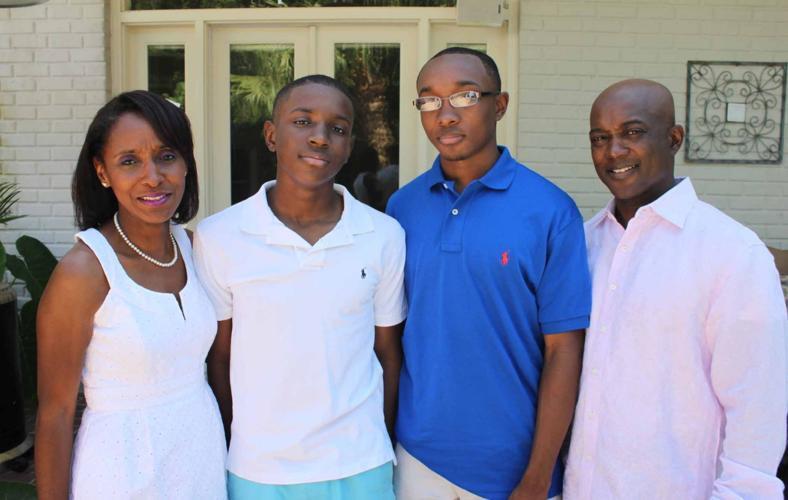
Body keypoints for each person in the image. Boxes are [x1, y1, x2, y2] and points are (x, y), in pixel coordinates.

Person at [564, 79, 788, 499]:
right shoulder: (582, 244)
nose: (614, 151)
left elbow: (757, 407)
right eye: (600, 138)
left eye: (632, 133)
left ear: (674, 138)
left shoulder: (732, 253)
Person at [386, 47, 591, 500]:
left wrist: (537, 477)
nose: (444, 115)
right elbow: (391, 337)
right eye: (429, 100)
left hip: (514, 466)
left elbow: (564, 351)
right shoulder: (401, 209)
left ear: (500, 105)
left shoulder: (550, 210)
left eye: (464, 96)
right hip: (417, 456)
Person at [193, 75, 406, 499]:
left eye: (337, 128)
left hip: (360, 464)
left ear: (348, 146)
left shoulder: (383, 235)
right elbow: (219, 357)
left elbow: (387, 352)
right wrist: (241, 440)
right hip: (260, 469)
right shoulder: (220, 236)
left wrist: (379, 436)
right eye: (303, 122)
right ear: (271, 135)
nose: (321, 138)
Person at [35, 90, 227, 499]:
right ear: (102, 172)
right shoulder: (84, 271)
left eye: (167, 156)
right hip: (122, 472)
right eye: (129, 161)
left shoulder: (194, 247)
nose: (153, 176)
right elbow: (56, 413)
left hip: (200, 460)